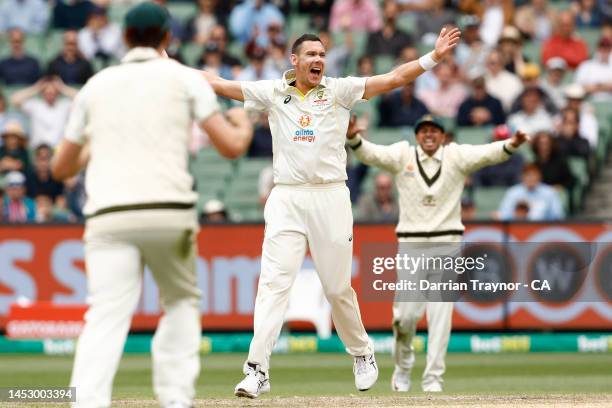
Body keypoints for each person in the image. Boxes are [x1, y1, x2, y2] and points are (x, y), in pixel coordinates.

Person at [202, 26, 462, 399]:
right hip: (287, 198)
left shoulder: (339, 91)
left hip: (330, 197)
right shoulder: (273, 92)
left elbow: (392, 79)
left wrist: (433, 57)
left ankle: (361, 352)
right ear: (294, 60)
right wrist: (164, 66)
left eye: (322, 55)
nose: (319, 61)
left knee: (336, 287)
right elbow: (218, 83)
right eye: (311, 55)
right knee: (273, 285)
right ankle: (257, 369)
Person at [50, 3, 253, 408]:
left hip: (108, 216)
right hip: (168, 212)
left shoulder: (96, 85)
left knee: (105, 314)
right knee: (180, 301)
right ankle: (175, 400)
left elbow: (60, 167)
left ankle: (87, 402)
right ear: (166, 39)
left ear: (124, 38)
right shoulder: (183, 79)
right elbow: (231, 147)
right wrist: (244, 123)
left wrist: (96, 143)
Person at [346, 114, 529, 392]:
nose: (429, 135)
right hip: (411, 246)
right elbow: (373, 155)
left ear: (443, 135)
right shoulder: (402, 155)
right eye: (424, 131)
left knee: (440, 319)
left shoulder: (455, 156)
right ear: (417, 135)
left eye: (434, 131)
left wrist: (511, 145)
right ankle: (403, 368)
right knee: (404, 318)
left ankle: (433, 379)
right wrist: (354, 139)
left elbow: (486, 154)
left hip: (447, 245)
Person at [11, 76, 77, 148]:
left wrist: (62, 88)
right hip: (38, 148)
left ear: (58, 93)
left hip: (58, 148)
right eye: (47, 93)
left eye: (53, 92)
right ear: (42, 93)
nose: (50, 95)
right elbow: (15, 99)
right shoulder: (35, 105)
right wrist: (36, 87)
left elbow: (82, 99)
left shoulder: (64, 105)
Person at [498, 164, 564, 220]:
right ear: (522, 177)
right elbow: (504, 214)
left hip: (543, 229)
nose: (531, 178)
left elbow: (558, 215)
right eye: (528, 175)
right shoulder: (513, 192)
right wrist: (517, 214)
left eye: (534, 175)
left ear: (539, 176)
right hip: (518, 228)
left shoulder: (549, 192)